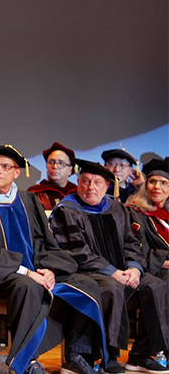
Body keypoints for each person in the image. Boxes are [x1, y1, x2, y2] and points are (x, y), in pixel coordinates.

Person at [0, 145, 107, 374]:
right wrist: (27, 272)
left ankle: (75, 354)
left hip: (35, 273)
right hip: (0, 277)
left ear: (16, 172)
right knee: (28, 286)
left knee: (86, 284)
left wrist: (49, 271)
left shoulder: (28, 200)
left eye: (5, 166)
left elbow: (45, 243)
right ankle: (25, 362)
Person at [51, 159, 169, 374]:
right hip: (84, 273)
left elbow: (132, 244)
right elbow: (77, 251)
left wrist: (134, 268)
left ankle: (143, 354)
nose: (90, 187)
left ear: (107, 186)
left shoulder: (116, 209)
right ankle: (107, 357)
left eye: (97, 182)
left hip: (121, 272)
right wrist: (113, 272)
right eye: (85, 181)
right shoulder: (66, 210)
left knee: (156, 286)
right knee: (110, 288)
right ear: (78, 182)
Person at [127, 157, 169, 285]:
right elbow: (138, 249)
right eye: (152, 181)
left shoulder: (166, 213)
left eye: (163, 183)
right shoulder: (134, 212)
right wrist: (165, 263)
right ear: (145, 185)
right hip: (154, 272)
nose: (157, 187)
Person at [28, 142, 78, 211]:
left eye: (61, 163)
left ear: (70, 170)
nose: (55, 166)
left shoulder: (77, 193)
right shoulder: (35, 194)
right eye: (51, 162)